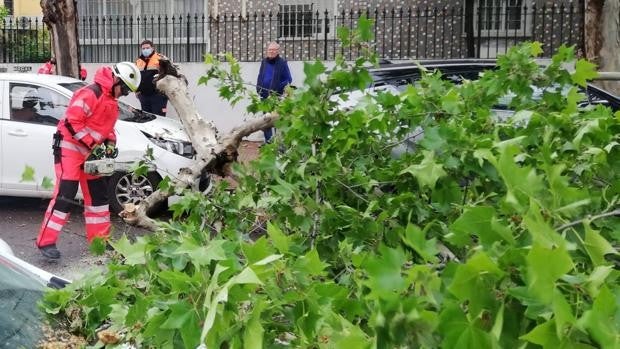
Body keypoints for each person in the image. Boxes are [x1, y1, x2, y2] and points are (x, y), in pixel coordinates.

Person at [36, 62, 141, 260]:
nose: (123, 94)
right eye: (124, 89)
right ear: (116, 80)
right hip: (68, 147)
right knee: (65, 195)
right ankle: (46, 241)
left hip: (89, 153)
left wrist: (110, 144)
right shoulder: (91, 93)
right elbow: (72, 121)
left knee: (98, 198)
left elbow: (106, 128)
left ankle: (100, 242)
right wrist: (93, 144)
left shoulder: (111, 101)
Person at [256, 42, 292, 143]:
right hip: (264, 96)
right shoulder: (264, 62)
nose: (271, 52)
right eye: (269, 50)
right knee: (266, 120)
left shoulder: (282, 63)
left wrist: (276, 89)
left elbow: (288, 79)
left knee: (276, 120)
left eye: (273, 50)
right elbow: (260, 75)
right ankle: (269, 142)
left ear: (277, 51)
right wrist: (258, 88)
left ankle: (278, 143)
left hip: (276, 97)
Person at [135, 39, 168, 116]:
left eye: (147, 48)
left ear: (152, 48)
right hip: (144, 96)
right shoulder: (138, 61)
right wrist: (136, 91)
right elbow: (136, 77)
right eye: (143, 48)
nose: (145, 50)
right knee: (147, 119)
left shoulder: (160, 59)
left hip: (158, 96)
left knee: (160, 118)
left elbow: (167, 75)